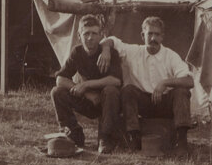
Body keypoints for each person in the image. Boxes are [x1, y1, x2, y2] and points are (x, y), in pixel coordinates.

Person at [98, 17, 194, 157]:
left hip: (164, 103)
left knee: (181, 92)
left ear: (162, 37)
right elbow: (111, 40)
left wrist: (164, 83)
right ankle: (134, 137)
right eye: (150, 34)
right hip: (144, 103)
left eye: (157, 34)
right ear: (143, 35)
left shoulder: (171, 56)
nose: (153, 38)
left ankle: (181, 142)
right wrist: (106, 49)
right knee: (128, 90)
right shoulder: (134, 51)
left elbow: (189, 81)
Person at [50, 14, 124, 154]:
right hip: (88, 100)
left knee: (111, 90)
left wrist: (86, 84)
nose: (90, 38)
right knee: (57, 92)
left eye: (94, 34)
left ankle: (105, 137)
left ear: (101, 35)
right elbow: (60, 78)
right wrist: (85, 91)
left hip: (107, 103)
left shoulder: (110, 53)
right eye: (86, 34)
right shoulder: (77, 52)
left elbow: (116, 80)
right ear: (79, 35)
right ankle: (73, 133)